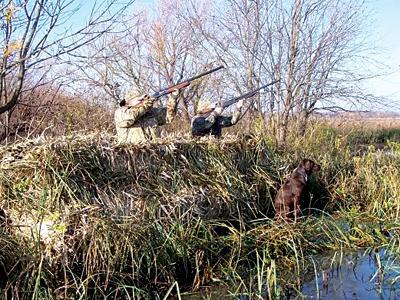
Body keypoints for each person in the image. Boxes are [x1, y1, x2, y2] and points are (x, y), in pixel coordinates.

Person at [114, 88, 180, 144]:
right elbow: (129, 118)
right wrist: (146, 105)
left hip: (153, 155)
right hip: (131, 156)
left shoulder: (150, 112)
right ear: (128, 102)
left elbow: (168, 116)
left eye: (144, 100)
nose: (143, 102)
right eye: (140, 100)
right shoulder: (120, 113)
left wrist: (173, 98)